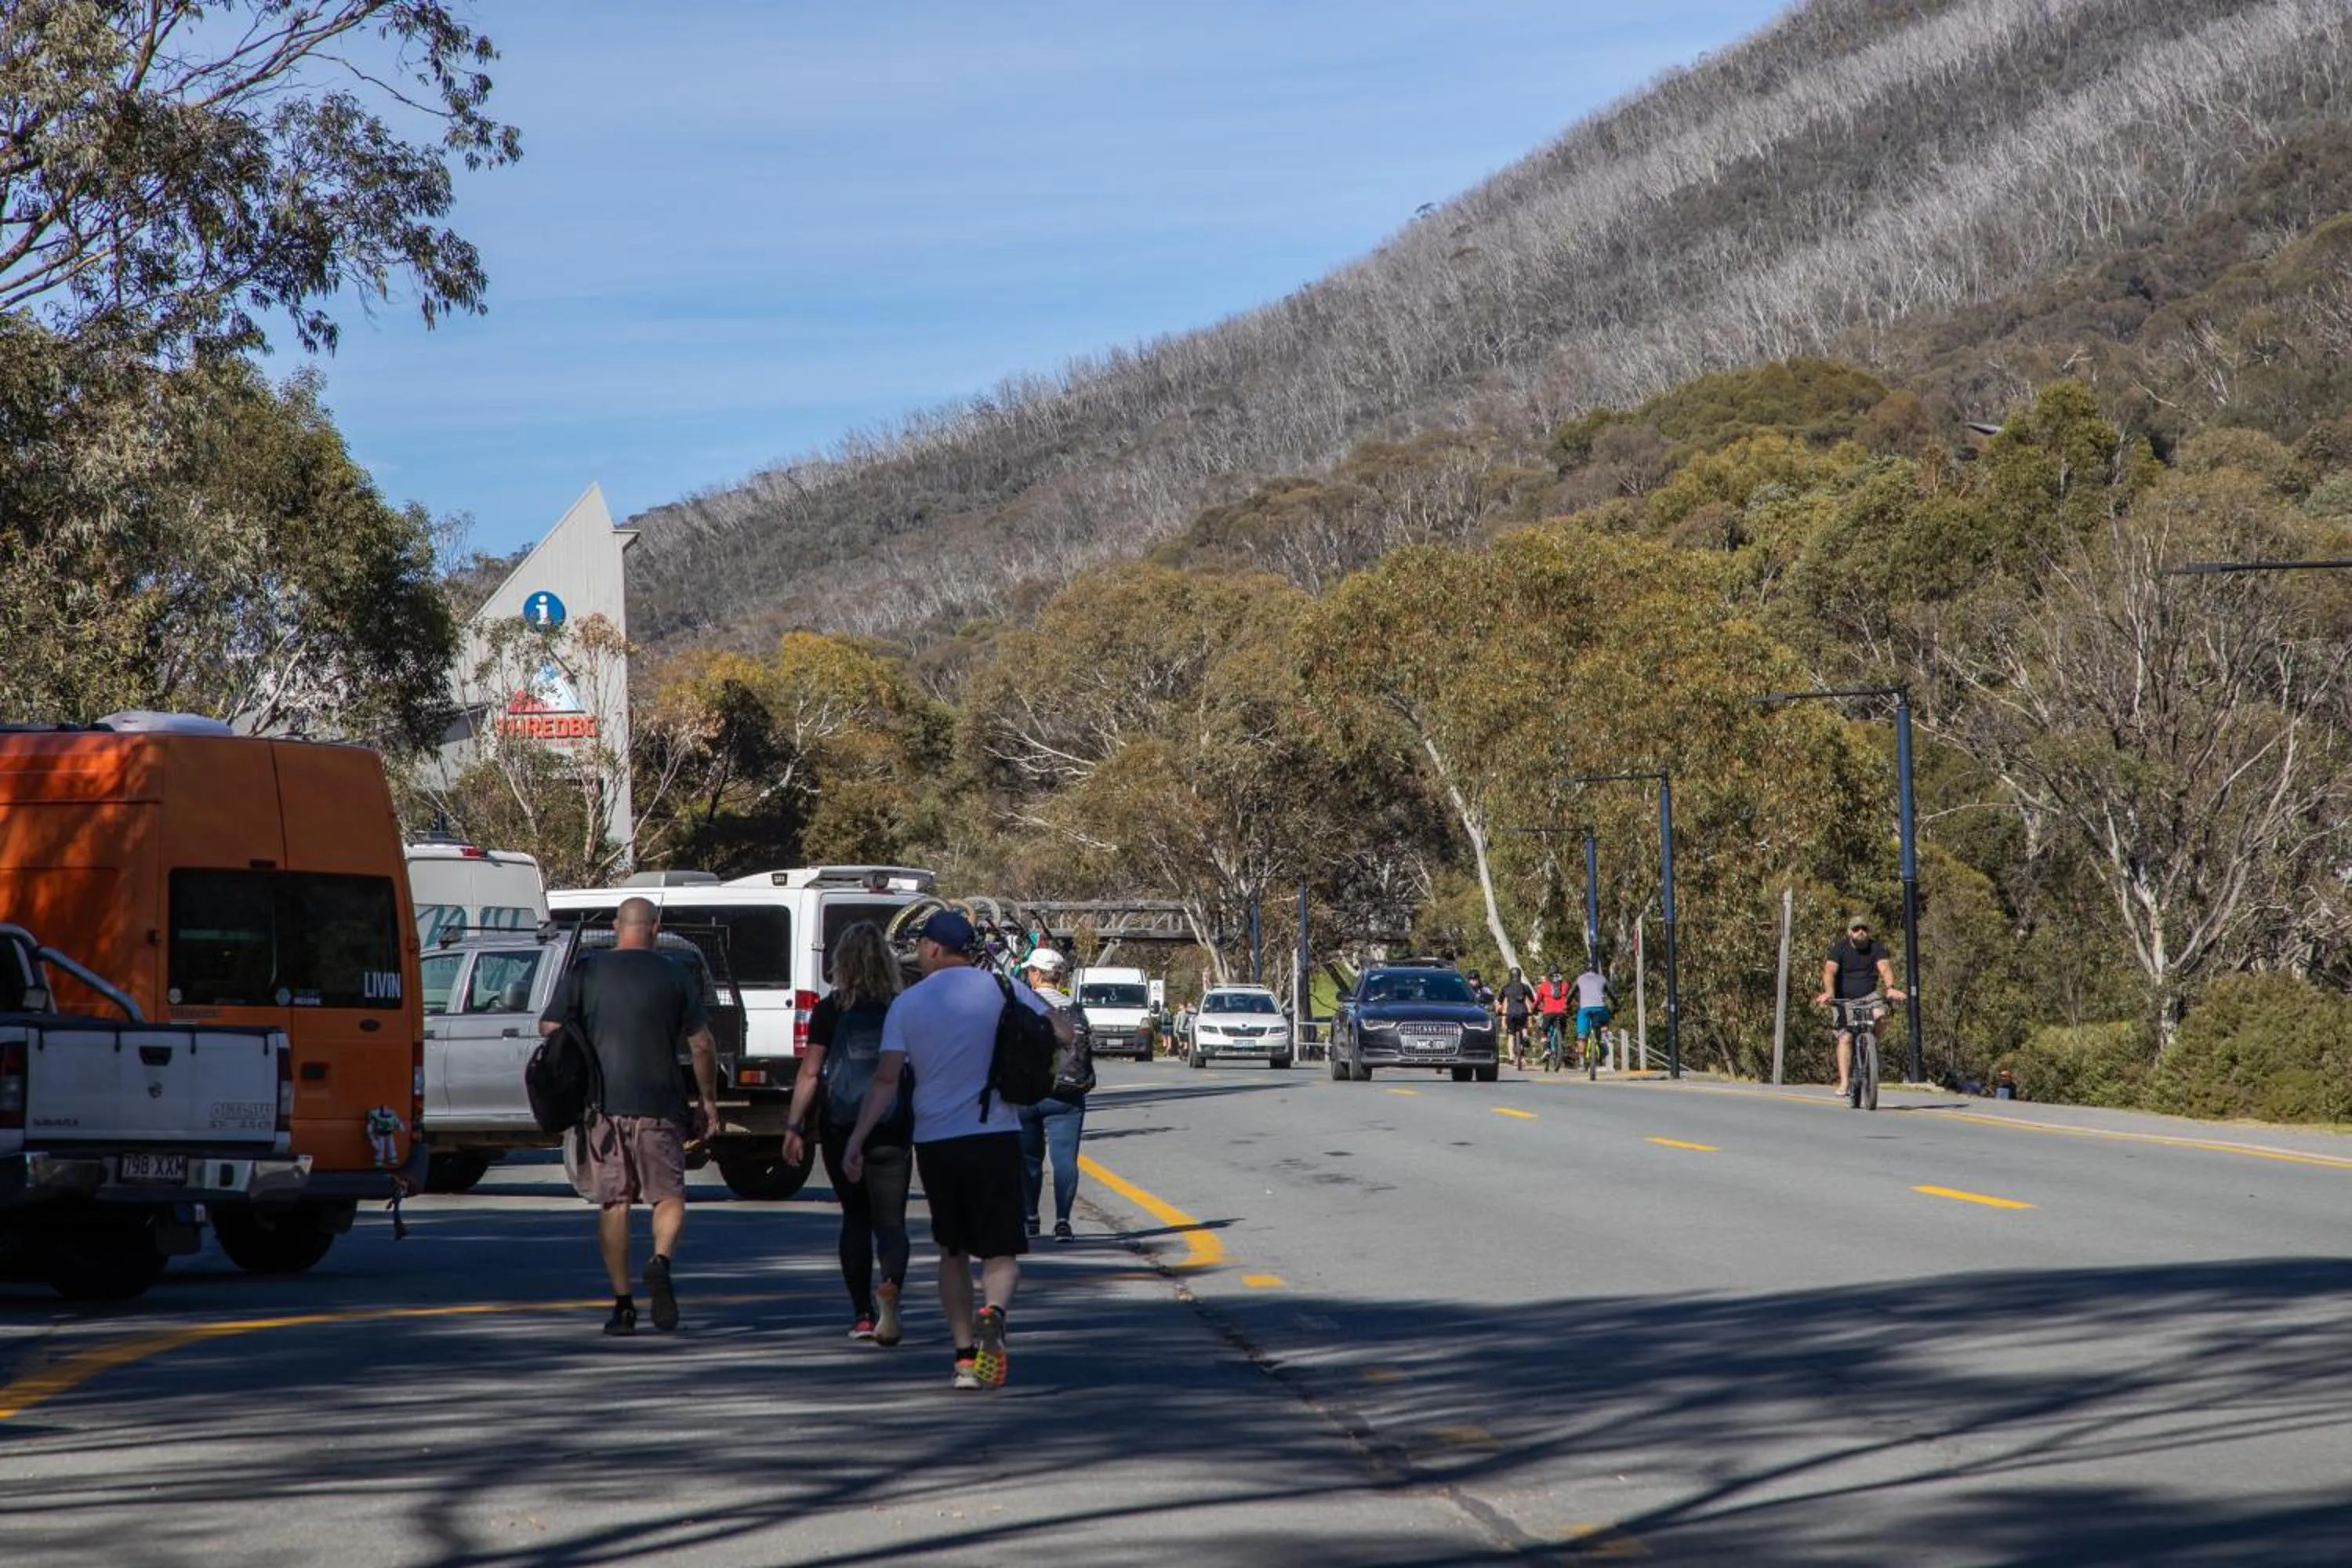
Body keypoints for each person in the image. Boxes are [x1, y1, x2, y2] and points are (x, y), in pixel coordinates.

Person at [844, 908, 1064, 1392]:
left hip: (936, 1142)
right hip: (996, 1134)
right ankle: (995, 1311)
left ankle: (965, 1359)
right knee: (1000, 1251)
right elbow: (1063, 1031)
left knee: (953, 1251)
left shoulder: (907, 1004)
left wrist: (857, 1139)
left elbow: (885, 1081)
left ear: (934, 948)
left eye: (921, 947)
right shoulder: (1003, 988)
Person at [539, 897, 721, 1338]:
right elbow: (701, 1044)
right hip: (661, 1105)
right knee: (669, 1196)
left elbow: (550, 1027)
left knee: (614, 1203)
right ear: (655, 928)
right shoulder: (675, 975)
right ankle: (660, 1259)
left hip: (603, 1108)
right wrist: (708, 1101)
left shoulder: (586, 972)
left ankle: (623, 1305)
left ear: (616, 926)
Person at [782, 921, 912, 1347]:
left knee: (856, 1219)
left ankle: (862, 1315)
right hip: (891, 1124)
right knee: (891, 1222)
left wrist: (794, 1126)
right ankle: (890, 1284)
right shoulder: (901, 1007)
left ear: (841, 961)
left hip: (841, 1125)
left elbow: (810, 1072)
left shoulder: (830, 1009)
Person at [1014, 946, 1091, 1243]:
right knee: (1065, 1159)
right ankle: (1062, 1222)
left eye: (1029, 971)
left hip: (1027, 1094)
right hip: (1068, 1095)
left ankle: (1030, 1217)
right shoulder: (1075, 1008)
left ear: (1036, 974)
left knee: (1029, 1159)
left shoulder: (1023, 1004)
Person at [1812, 916, 1906, 1096]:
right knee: (1845, 1038)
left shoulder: (1876, 948)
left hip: (1869, 996)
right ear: (1850, 932)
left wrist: (1891, 988)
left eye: (1864, 928)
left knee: (1880, 1015)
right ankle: (1845, 1083)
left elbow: (1885, 968)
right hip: (1844, 1000)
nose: (1861, 932)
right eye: (1856, 929)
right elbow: (1829, 971)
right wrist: (1829, 992)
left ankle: (1872, 1048)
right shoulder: (1840, 948)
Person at [1496, 966, 1537, 1069]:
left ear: (1510, 976)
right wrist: (1534, 1010)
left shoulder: (1506, 988)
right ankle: (1525, 1035)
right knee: (1523, 1026)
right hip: (1522, 1012)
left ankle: (1511, 1057)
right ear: (1520, 976)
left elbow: (1499, 1001)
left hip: (1510, 1013)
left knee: (1511, 1035)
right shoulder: (1525, 987)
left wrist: (1498, 1011)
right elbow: (1533, 1000)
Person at [1573, 966, 1613, 1066]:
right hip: (1600, 1008)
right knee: (1605, 1021)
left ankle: (1581, 1062)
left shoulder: (1580, 978)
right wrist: (1616, 1003)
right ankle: (1603, 1038)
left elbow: (1571, 993)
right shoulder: (1602, 978)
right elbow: (1611, 994)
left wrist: (1567, 1003)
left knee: (1581, 1035)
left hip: (1584, 1009)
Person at [1534, 969, 1573, 1070]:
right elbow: (1569, 998)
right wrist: (1569, 1008)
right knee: (1563, 1028)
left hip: (1548, 1013)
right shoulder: (1565, 985)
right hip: (1562, 1012)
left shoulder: (1543, 986)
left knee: (1544, 1031)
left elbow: (1538, 1000)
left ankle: (1546, 1049)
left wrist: (1534, 1009)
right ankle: (1561, 1042)